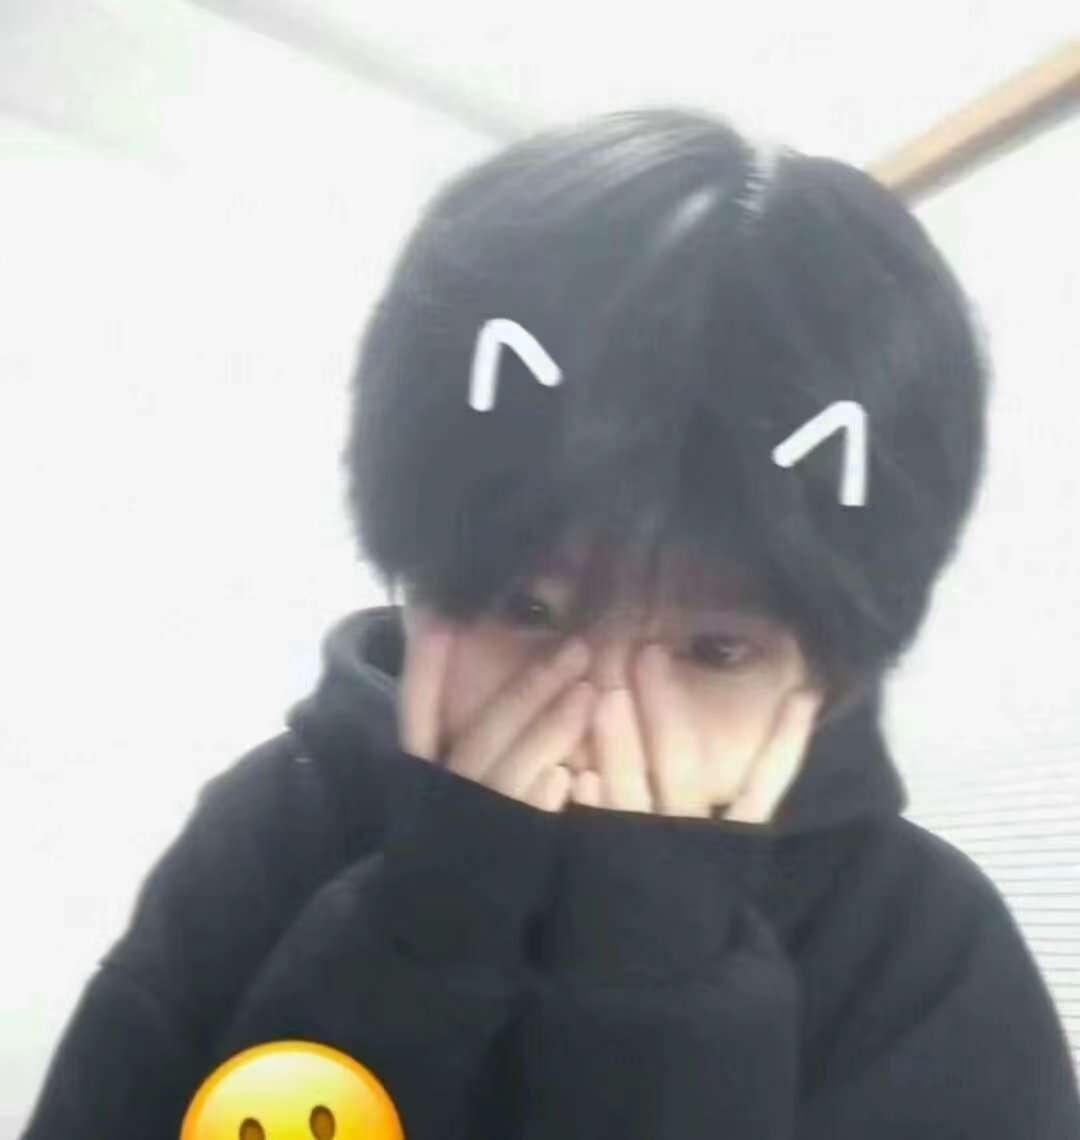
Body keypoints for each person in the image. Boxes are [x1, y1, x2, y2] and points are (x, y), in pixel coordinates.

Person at [21, 108, 1080, 1139]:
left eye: (715, 649)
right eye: (529, 608)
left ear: (828, 678)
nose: (597, 714)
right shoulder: (280, 825)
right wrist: (414, 943)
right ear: (424, 580)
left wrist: (659, 1008)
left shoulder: (925, 952)